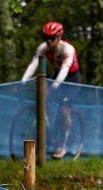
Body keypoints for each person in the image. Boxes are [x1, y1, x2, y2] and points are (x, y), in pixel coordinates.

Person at [21, 21, 82, 159]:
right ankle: (47, 136)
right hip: (56, 73)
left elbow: (65, 71)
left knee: (64, 110)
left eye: (52, 38)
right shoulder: (43, 48)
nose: (48, 41)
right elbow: (33, 64)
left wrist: (53, 88)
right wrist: (22, 82)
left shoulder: (68, 50)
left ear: (59, 37)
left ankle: (62, 146)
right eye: (45, 37)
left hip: (71, 78)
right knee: (40, 95)